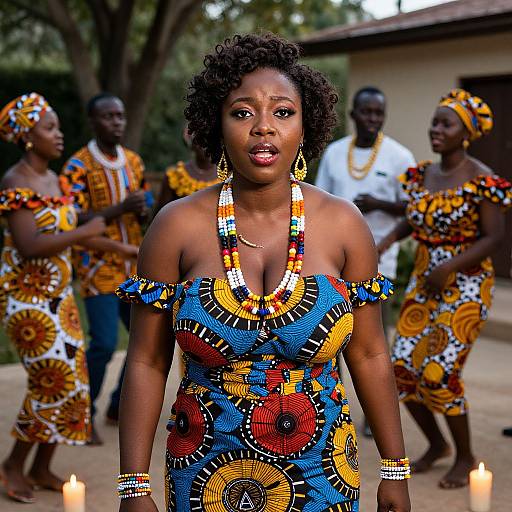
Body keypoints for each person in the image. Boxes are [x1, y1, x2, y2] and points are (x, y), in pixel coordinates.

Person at [115, 34, 411, 512]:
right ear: (217, 123)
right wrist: (133, 485)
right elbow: (147, 362)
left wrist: (394, 471)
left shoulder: (343, 225)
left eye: (282, 111)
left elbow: (372, 354)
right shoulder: (176, 226)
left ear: (305, 124)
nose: (263, 128)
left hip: (322, 474)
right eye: (243, 112)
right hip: (203, 473)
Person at [379, 89, 512, 489]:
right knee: (401, 370)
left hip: (467, 284)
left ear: (466, 133)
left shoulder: (482, 180)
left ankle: (466, 455)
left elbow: (494, 237)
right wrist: (386, 240)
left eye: (446, 123)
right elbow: (415, 219)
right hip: (424, 282)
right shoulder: (422, 175)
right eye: (435, 122)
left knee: (438, 373)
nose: (436, 129)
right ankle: (437, 445)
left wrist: (450, 266)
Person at [0, 93, 106, 503]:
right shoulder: (15, 181)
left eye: (58, 127)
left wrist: (129, 252)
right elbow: (30, 245)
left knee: (74, 383)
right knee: (51, 382)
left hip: (59, 297)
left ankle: (41, 466)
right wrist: (85, 232)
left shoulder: (55, 180)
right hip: (27, 300)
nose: (59, 135)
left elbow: (76, 233)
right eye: (49, 128)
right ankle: (13, 464)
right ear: (27, 137)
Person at [316, 86, 415, 436]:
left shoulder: (399, 156)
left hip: (377, 265)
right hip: (328, 264)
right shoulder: (333, 153)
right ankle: (330, 406)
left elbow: (415, 207)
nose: (373, 119)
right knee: (327, 339)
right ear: (354, 115)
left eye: (379, 113)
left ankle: (375, 416)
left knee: (374, 344)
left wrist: (379, 204)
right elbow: (317, 202)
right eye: (367, 112)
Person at [61, 93, 150, 445]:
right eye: (109, 117)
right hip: (95, 266)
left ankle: (117, 406)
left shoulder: (133, 161)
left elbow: (142, 205)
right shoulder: (77, 166)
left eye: (121, 116)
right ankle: (83, 415)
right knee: (104, 343)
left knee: (144, 341)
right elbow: (69, 218)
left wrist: (141, 211)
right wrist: (117, 209)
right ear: (93, 122)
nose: (117, 123)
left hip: (133, 265)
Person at [155, 124, 218, 214]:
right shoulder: (175, 175)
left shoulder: (227, 176)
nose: (206, 145)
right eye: (201, 140)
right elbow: (160, 214)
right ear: (191, 143)